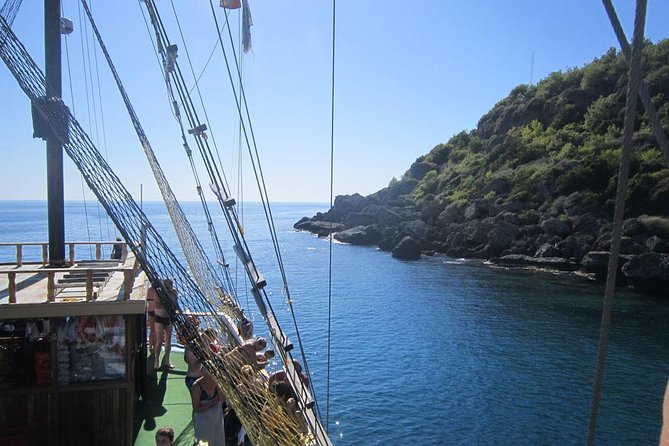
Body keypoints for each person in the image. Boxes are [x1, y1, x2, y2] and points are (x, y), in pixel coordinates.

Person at [191, 369, 225, 446]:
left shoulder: (216, 382)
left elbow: (222, 398)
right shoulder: (196, 386)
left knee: (218, 442)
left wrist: (218, 384)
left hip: (216, 418)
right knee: (204, 443)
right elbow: (196, 409)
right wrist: (213, 402)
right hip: (203, 421)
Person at [152, 279, 177, 370]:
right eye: (167, 285)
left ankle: (167, 360)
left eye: (170, 284)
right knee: (159, 340)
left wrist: (171, 291)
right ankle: (156, 360)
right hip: (159, 318)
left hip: (169, 318)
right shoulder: (158, 292)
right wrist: (165, 290)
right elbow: (159, 303)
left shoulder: (174, 292)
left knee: (168, 340)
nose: (169, 286)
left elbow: (175, 304)